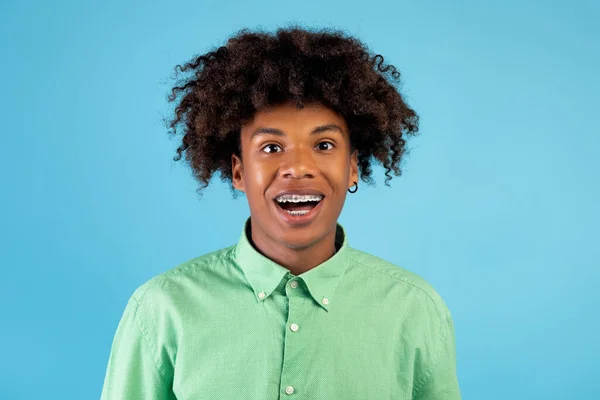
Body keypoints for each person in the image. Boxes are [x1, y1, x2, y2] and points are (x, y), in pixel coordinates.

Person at [101, 26, 461, 399]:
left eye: (323, 144)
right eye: (271, 148)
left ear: (352, 167)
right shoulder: (162, 310)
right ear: (238, 171)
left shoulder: (415, 310)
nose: (298, 167)